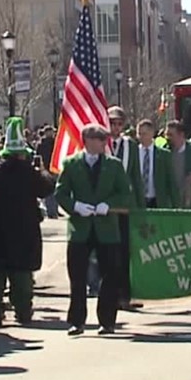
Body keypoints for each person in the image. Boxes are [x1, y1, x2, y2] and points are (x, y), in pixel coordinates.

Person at [55, 125, 133, 336]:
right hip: (80, 228)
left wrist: (108, 204)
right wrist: (76, 206)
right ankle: (77, 321)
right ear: (87, 140)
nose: (103, 143)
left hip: (106, 228)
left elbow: (125, 194)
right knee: (77, 276)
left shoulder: (114, 166)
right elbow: (61, 194)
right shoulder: (71, 164)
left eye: (103, 139)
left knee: (110, 275)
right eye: (99, 139)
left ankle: (107, 321)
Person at [0, 118, 55, 327]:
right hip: (23, 229)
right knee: (21, 274)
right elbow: (47, 188)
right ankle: (22, 311)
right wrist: (43, 171)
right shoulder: (29, 173)